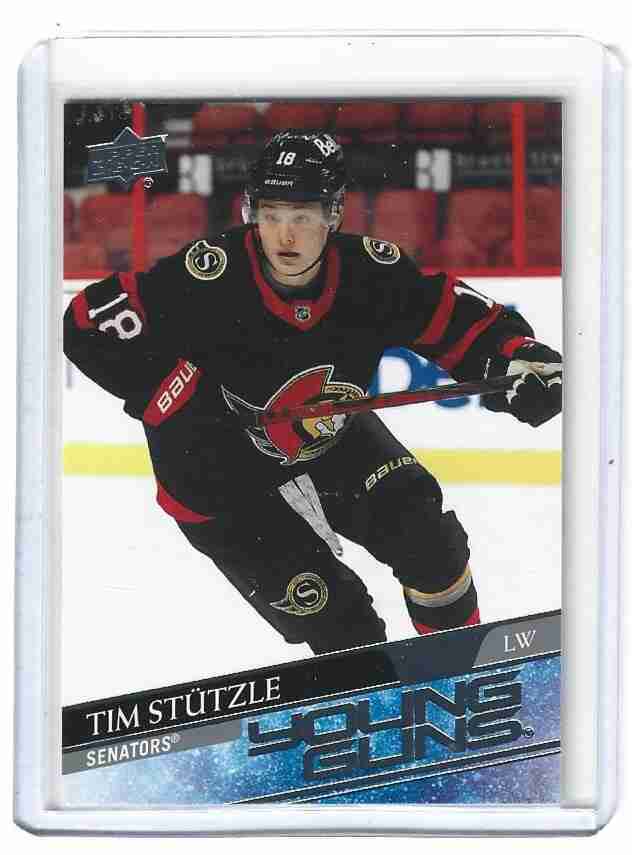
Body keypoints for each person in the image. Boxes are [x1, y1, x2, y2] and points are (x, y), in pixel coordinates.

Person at [64, 129, 562, 655]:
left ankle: (459, 665)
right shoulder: (208, 276)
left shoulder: (371, 273)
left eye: (302, 216)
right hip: (219, 484)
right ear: (252, 212)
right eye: (271, 214)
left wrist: (517, 356)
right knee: (343, 624)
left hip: (327, 440)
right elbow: (86, 321)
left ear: (333, 214)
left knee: (429, 544)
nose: (285, 235)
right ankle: (364, 690)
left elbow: (460, 319)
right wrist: (178, 398)